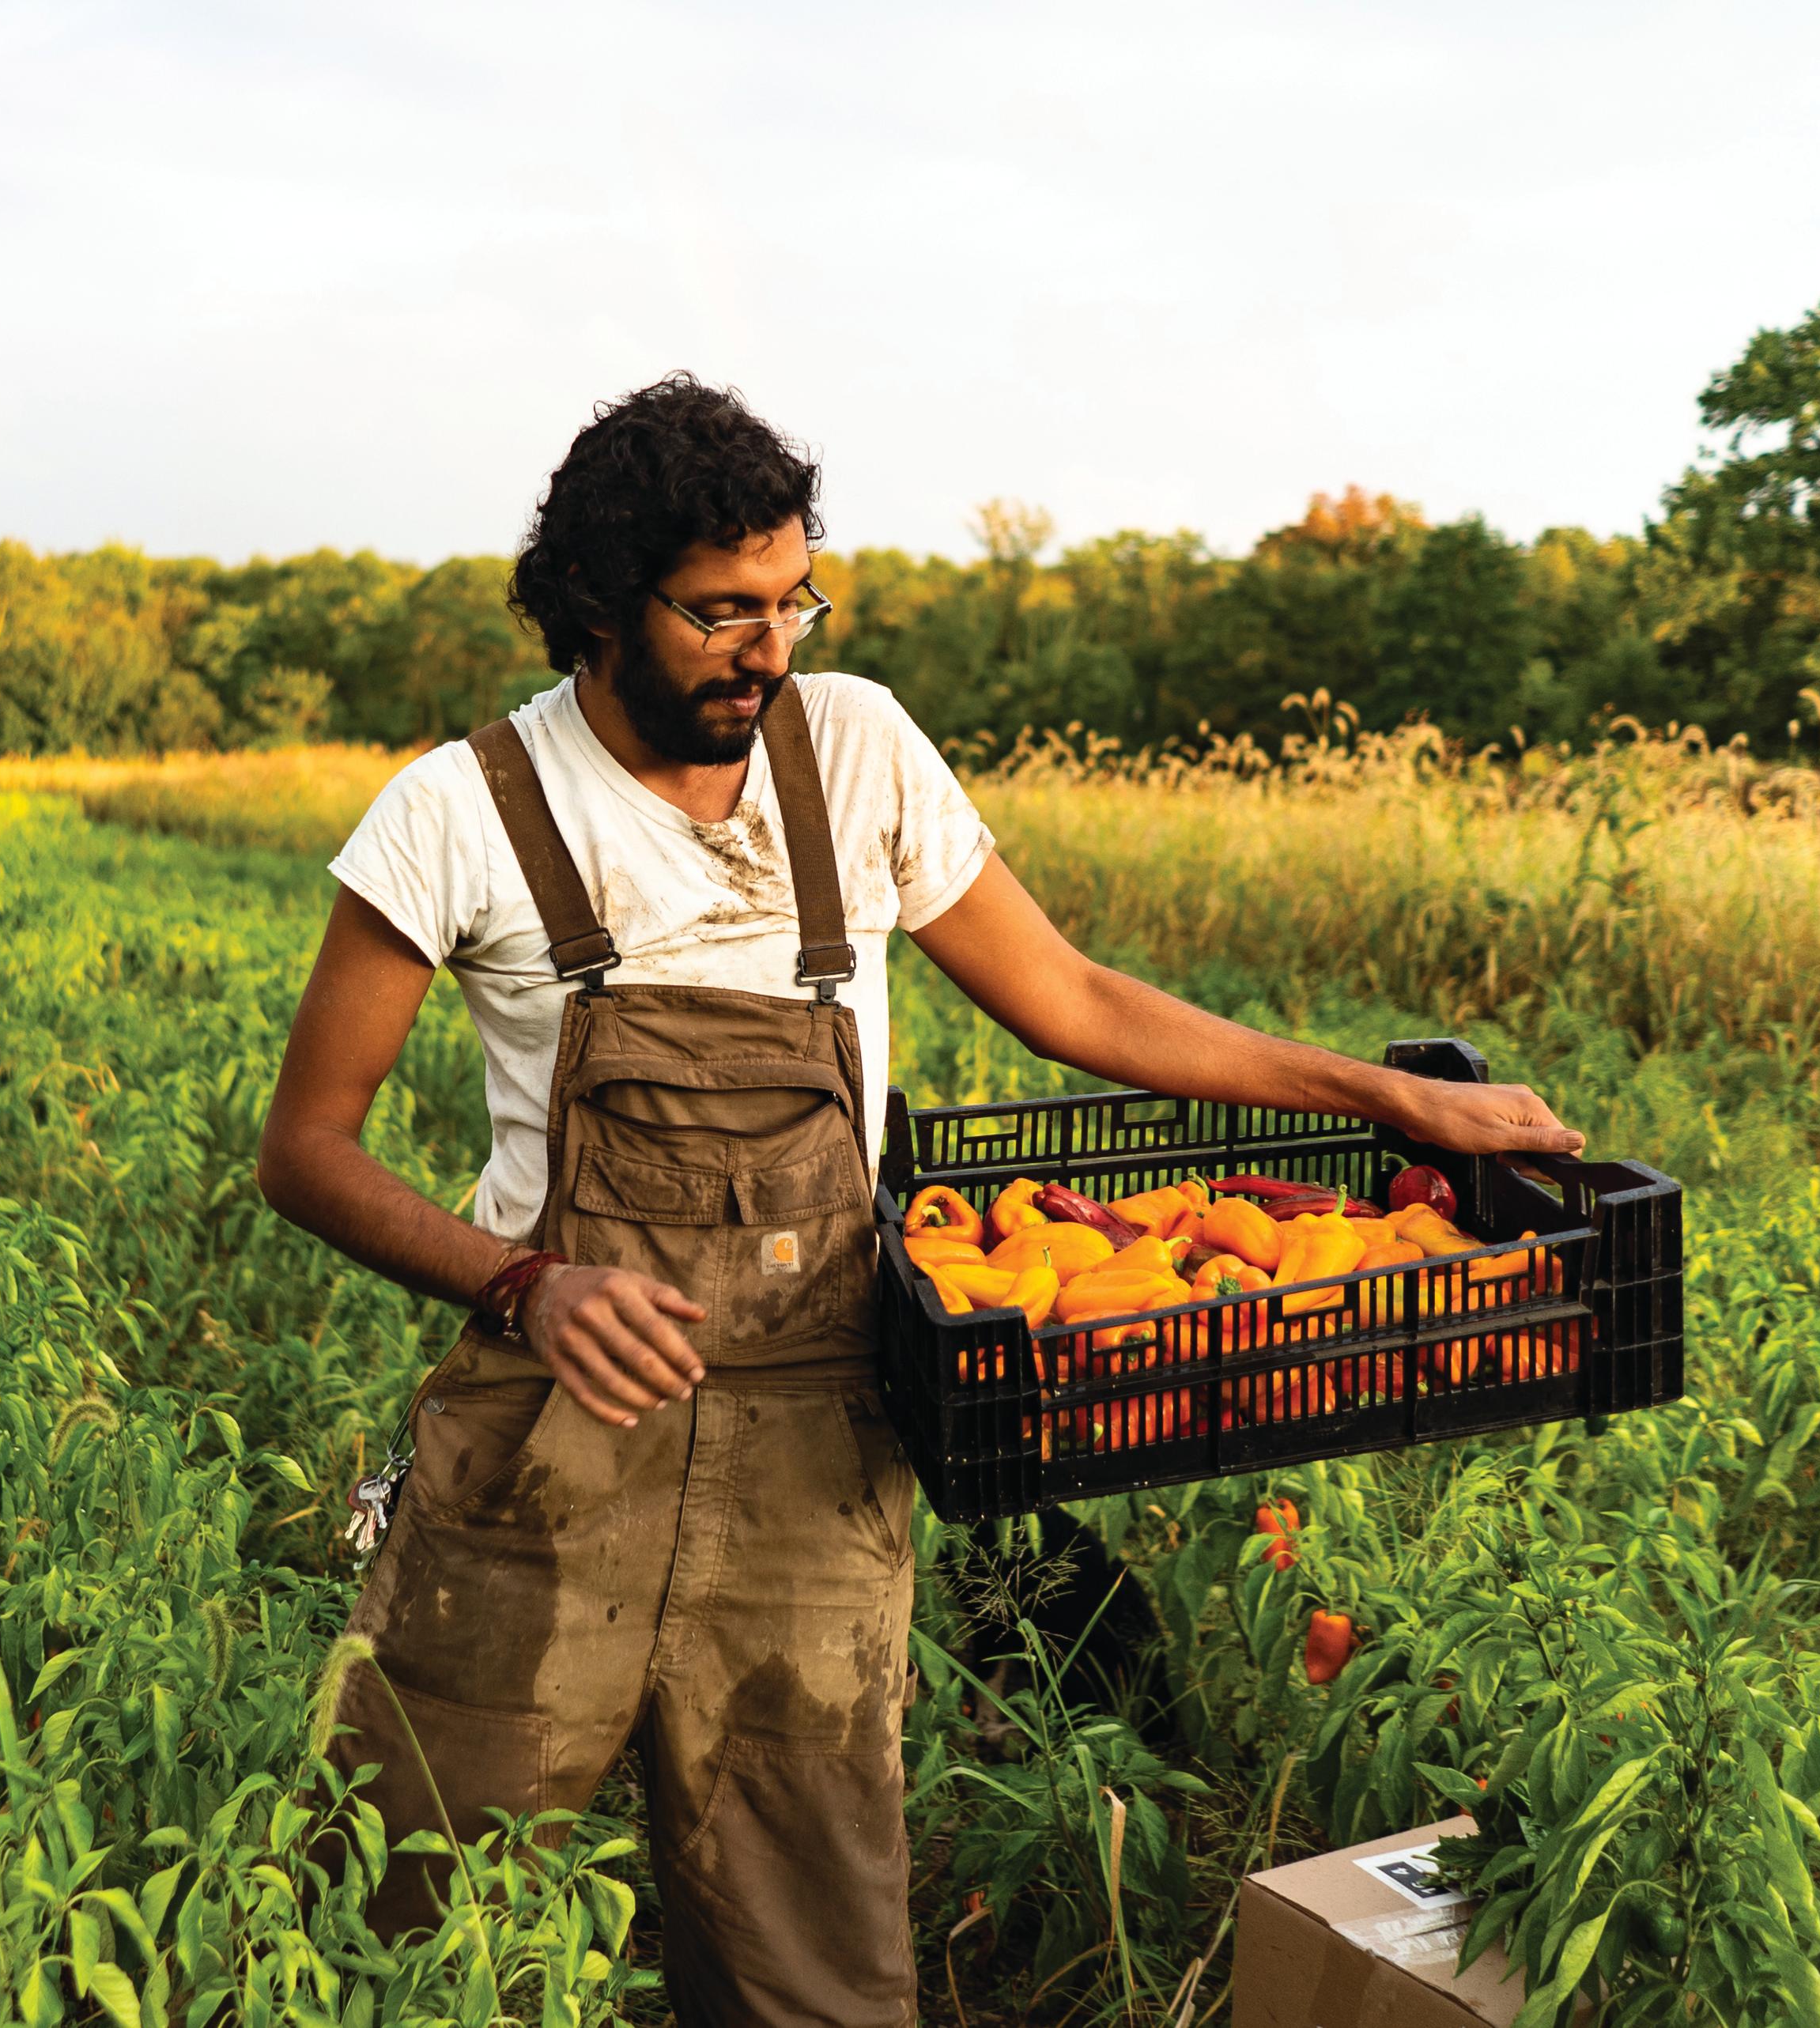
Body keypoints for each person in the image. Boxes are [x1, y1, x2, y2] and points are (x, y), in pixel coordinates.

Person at [255, 374, 1581, 2026]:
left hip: (817, 1448)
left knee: (813, 1967)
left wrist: (1391, 1094)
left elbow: (1079, 1002)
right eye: (721, 612)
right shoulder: (458, 813)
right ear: (596, 604)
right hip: (544, 1444)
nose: (770, 647)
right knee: (385, 1911)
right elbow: (306, 1144)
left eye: (793, 599)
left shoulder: (857, 748)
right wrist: (529, 1286)